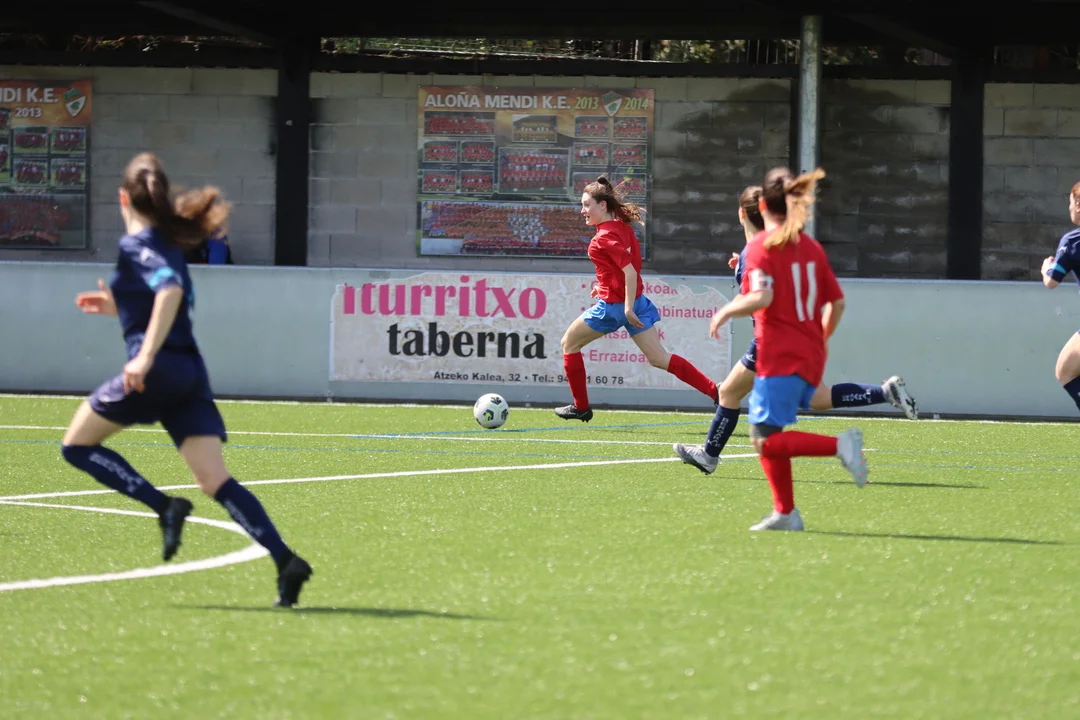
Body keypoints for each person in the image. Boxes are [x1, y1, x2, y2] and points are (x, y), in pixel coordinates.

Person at [61, 152, 312, 606]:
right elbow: (166, 298)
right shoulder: (170, 244)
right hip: (189, 373)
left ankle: (163, 506)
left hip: (156, 370)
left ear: (122, 198)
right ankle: (285, 560)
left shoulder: (137, 245)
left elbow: (170, 291)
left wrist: (143, 357)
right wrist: (118, 309)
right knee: (215, 480)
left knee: (76, 446)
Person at [674, 185, 917, 474]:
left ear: (741, 214)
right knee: (816, 398)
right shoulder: (774, 248)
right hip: (799, 335)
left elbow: (761, 297)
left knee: (741, 406)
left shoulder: (755, 253)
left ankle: (713, 457)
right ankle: (884, 393)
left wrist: (727, 310)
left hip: (772, 341)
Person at [703, 167, 868, 531]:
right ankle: (785, 513)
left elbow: (762, 296)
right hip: (810, 350)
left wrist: (726, 310)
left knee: (763, 440)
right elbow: (837, 304)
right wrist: (819, 339)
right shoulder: (810, 247)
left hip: (778, 353)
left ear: (762, 205)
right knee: (771, 431)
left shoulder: (760, 246)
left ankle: (840, 447)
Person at [555, 176, 719, 422]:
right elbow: (620, 272)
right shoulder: (621, 227)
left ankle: (581, 407)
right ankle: (716, 392)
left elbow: (629, 272)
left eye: (587, 204)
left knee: (569, 343)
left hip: (617, 308)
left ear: (603, 205)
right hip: (637, 302)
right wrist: (603, 287)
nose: (582, 210)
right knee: (659, 358)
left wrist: (626, 308)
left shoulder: (603, 238)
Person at [1041, 180, 1080, 412]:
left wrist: (1045, 268)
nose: (1069, 208)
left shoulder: (1073, 241)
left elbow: (1052, 281)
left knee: (1065, 371)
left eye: (1070, 203)